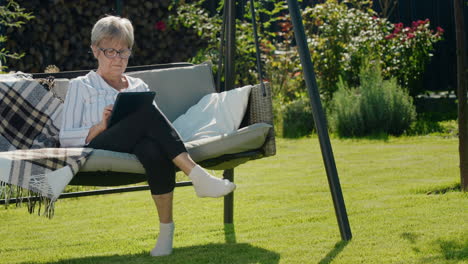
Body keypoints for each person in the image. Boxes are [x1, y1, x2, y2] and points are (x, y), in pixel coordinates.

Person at [59, 15, 236, 257]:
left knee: (153, 150)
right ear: (95, 51)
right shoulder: (81, 86)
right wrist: (100, 125)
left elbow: (158, 131)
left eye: (123, 52)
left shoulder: (138, 86)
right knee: (145, 112)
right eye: (110, 51)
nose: (118, 59)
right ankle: (197, 175)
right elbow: (65, 137)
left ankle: (166, 235)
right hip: (101, 145)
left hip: (137, 146)